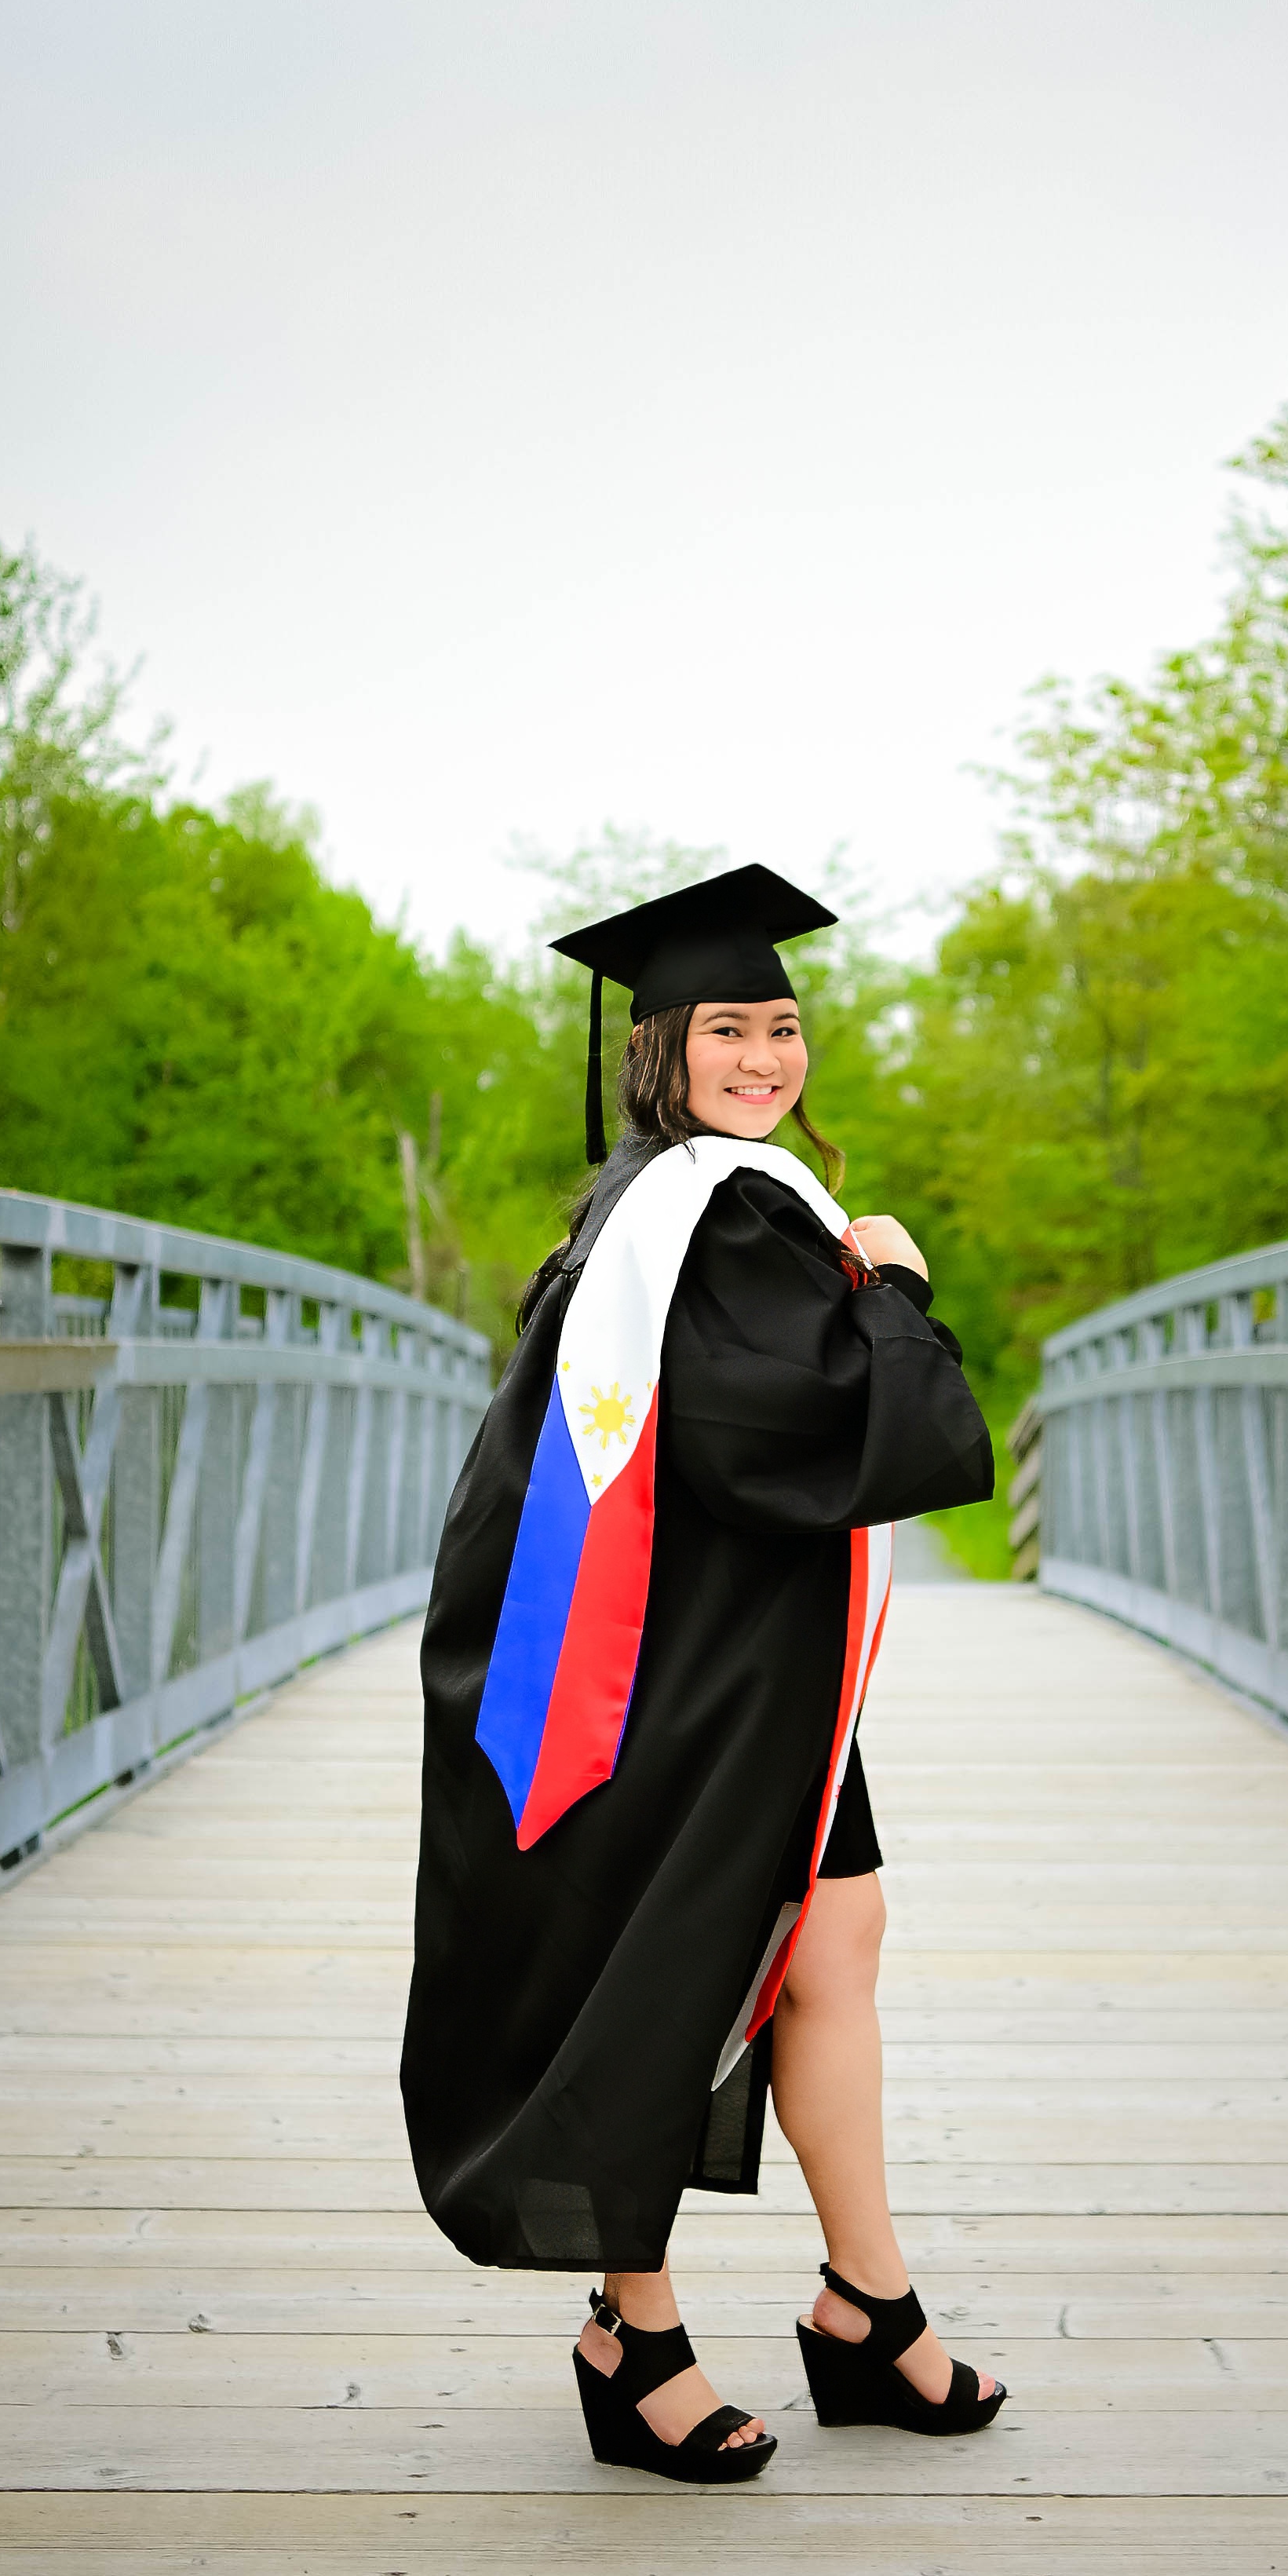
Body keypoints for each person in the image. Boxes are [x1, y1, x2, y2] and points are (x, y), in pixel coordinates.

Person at [401, 864, 1003, 2484]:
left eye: (782, 1027)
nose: (763, 1056)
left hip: (730, 1651)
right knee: (656, 1967)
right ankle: (634, 2333)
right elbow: (798, 1426)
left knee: (835, 1936)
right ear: (657, 1045)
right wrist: (899, 1295)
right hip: (673, 1674)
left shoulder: (683, 1199)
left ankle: (864, 2306)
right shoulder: (709, 1210)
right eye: (726, 1028)